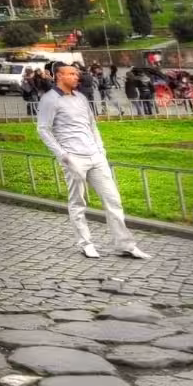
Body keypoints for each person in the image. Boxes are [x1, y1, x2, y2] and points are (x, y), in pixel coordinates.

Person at [38, 63, 150, 260]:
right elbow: (43, 129)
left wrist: (101, 149)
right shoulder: (50, 99)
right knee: (78, 202)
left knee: (113, 200)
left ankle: (125, 245)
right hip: (73, 157)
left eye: (77, 74)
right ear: (59, 76)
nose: (76, 77)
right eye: (71, 74)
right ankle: (86, 243)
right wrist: (63, 155)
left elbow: (92, 125)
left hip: (95, 156)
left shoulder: (81, 97)